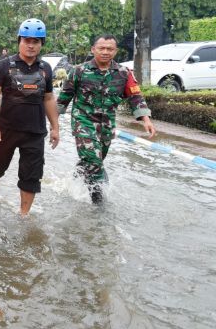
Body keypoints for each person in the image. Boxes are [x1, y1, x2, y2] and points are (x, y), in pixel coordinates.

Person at [57, 34, 155, 204]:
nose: (105, 52)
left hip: (107, 126)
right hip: (83, 122)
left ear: (115, 51)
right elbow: (64, 98)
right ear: (93, 50)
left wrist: (146, 120)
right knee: (94, 162)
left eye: (110, 49)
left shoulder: (124, 73)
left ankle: (71, 182)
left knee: (94, 160)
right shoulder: (79, 71)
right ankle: (99, 203)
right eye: (101, 48)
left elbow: (135, 96)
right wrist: (52, 124)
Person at [0, 19, 60, 216]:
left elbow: (49, 98)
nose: (31, 45)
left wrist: (55, 127)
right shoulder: (3, 66)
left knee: (32, 175)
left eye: (36, 41)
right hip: (6, 129)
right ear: (19, 41)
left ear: (41, 44)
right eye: (27, 40)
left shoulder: (45, 68)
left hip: (35, 132)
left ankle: (24, 214)